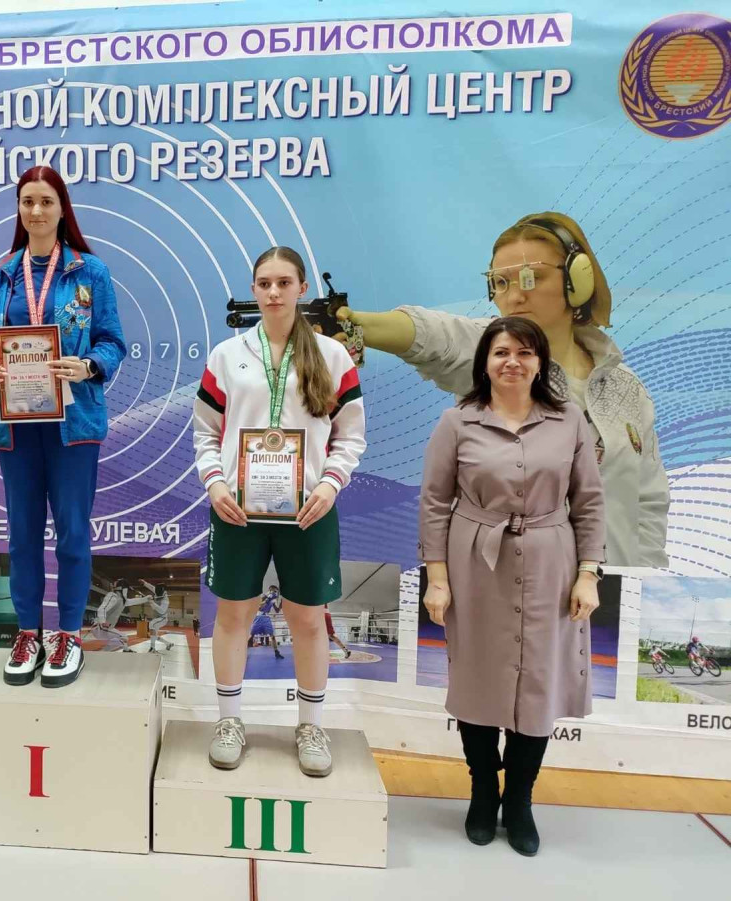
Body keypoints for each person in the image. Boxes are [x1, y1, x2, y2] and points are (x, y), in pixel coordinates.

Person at [336, 212, 664, 568]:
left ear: (578, 281)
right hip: (514, 585)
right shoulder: (491, 356)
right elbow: (434, 335)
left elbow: (648, 502)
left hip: (612, 588)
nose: (515, 296)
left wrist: (643, 584)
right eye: (502, 283)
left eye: (532, 278)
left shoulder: (625, 387)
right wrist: (359, 326)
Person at [419, 316, 605, 857]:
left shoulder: (569, 421)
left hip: (552, 562)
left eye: (525, 353)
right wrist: (437, 579)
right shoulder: (457, 422)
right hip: (475, 563)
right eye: (501, 352)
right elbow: (434, 503)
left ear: (541, 363)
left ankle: (519, 799)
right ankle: (483, 791)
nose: (512, 362)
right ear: (485, 361)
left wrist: (588, 572)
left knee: (538, 680)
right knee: (478, 678)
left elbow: (589, 501)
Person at [195, 246, 366, 777]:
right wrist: (215, 483)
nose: (273, 292)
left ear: (302, 288)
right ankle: (229, 721)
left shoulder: (333, 356)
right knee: (232, 617)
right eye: (264, 283)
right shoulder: (226, 355)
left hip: (308, 512)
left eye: (283, 283)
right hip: (237, 512)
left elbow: (350, 436)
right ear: (254, 289)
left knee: (309, 621)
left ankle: (310, 727)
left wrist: (331, 485)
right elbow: (204, 432)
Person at [0, 166, 126, 688]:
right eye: (27, 201)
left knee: (73, 534)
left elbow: (112, 342)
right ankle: (28, 634)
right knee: (21, 536)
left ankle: (69, 635)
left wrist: (88, 366)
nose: (36, 211)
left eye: (46, 201)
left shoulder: (89, 272)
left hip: (73, 423)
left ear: (62, 208)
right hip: (16, 423)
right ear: (19, 209)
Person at [91, 579, 130, 650]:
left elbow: (131, 601)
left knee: (121, 638)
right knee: (123, 637)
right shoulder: (112, 596)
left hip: (106, 629)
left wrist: (146, 599)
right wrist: (103, 622)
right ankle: (106, 651)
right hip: (100, 628)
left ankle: (124, 650)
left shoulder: (121, 600)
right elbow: (102, 609)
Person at [249, 586, 284, 659]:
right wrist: (268, 599)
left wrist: (281, 604)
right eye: (274, 591)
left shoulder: (273, 600)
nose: (275, 593)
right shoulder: (263, 596)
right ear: (270, 590)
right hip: (258, 617)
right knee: (251, 635)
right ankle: (244, 652)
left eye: (276, 592)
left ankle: (276, 652)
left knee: (272, 636)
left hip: (266, 618)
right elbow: (259, 607)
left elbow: (277, 610)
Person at [141, 580, 173, 654]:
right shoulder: (157, 591)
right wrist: (144, 583)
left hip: (162, 618)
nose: (155, 592)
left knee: (151, 624)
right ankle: (168, 644)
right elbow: (151, 587)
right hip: (156, 618)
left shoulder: (165, 600)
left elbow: (161, 611)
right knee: (154, 634)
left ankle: (152, 648)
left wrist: (152, 602)